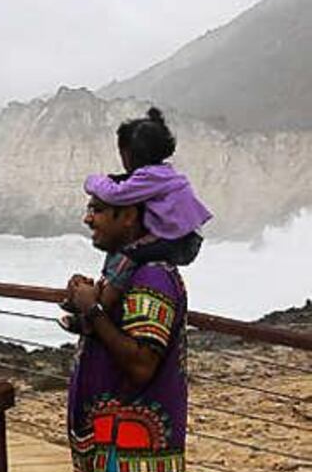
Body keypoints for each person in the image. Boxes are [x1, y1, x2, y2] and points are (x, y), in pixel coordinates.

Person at [65, 193, 189, 472]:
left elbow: (142, 364)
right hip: (114, 448)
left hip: (133, 456)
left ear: (130, 215)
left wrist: (93, 310)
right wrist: (87, 303)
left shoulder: (151, 277)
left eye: (99, 210)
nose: (88, 218)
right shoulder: (122, 273)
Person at [61, 108, 211, 332]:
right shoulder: (162, 174)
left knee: (126, 256)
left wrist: (92, 181)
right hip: (183, 238)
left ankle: (92, 314)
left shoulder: (150, 176)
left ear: (129, 153)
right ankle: (92, 301)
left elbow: (114, 194)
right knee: (121, 252)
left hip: (178, 242)